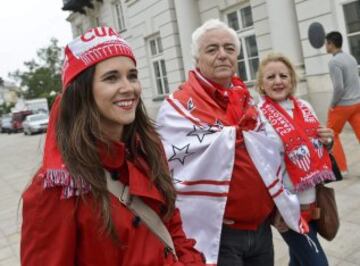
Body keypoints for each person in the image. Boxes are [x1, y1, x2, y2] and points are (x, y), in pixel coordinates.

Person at [20, 26, 206, 266]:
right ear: (83, 91)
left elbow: (173, 227)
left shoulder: (146, 150)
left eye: (132, 75)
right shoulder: (57, 186)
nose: (128, 88)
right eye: (111, 78)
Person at [156, 19, 275, 265]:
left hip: (262, 229)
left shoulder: (248, 99)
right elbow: (168, 166)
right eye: (212, 49)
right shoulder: (177, 106)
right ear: (197, 59)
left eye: (229, 48)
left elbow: (270, 153)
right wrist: (233, 134)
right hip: (219, 235)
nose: (222, 55)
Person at [256, 52, 335, 266]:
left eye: (283, 75)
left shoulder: (305, 107)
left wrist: (328, 141)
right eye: (271, 77)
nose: (278, 81)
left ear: (291, 79)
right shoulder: (258, 116)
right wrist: (275, 211)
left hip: (314, 200)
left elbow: (316, 147)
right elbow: (260, 167)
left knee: (299, 261)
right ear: (261, 84)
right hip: (287, 209)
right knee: (318, 263)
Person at [325, 31, 360, 175]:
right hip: (357, 103)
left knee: (332, 134)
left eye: (326, 43)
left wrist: (332, 104)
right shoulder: (350, 58)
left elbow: (339, 87)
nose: (325, 46)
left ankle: (341, 168)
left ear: (331, 44)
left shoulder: (334, 62)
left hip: (343, 105)